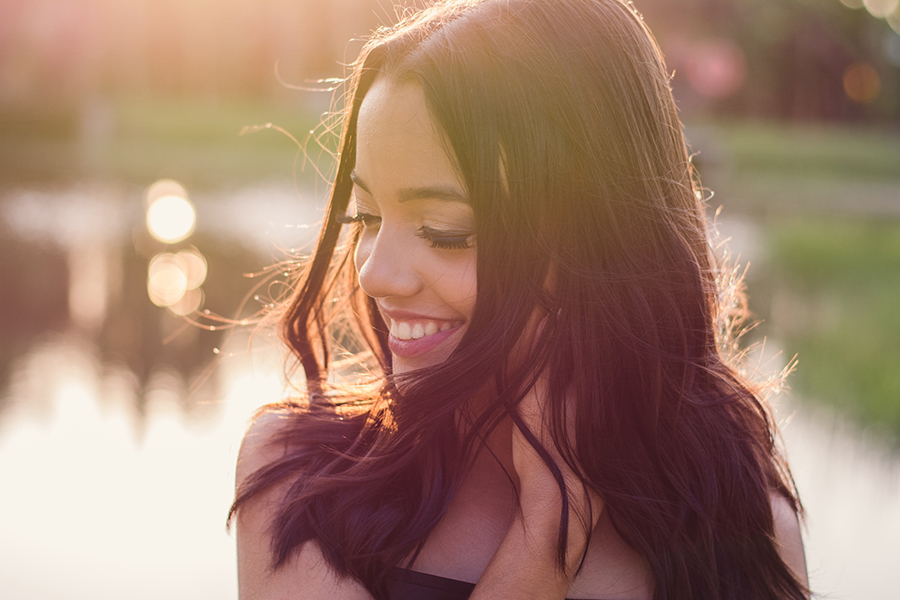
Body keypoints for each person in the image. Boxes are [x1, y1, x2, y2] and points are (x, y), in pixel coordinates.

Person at [230, 1, 809, 598]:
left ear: (597, 239)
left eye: (445, 232)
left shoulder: (731, 510)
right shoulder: (300, 481)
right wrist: (549, 531)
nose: (376, 274)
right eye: (368, 215)